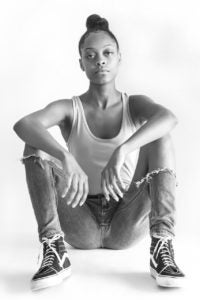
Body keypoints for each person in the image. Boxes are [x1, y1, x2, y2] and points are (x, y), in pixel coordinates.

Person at [13, 14, 185, 291]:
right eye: (90, 55)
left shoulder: (135, 104)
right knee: (35, 143)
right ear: (81, 63)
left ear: (119, 58)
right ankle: (54, 249)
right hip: (80, 220)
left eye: (107, 53)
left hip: (126, 219)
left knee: (161, 136)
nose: (100, 60)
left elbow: (169, 117)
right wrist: (65, 156)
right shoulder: (70, 108)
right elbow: (24, 124)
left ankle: (162, 247)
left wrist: (124, 149)